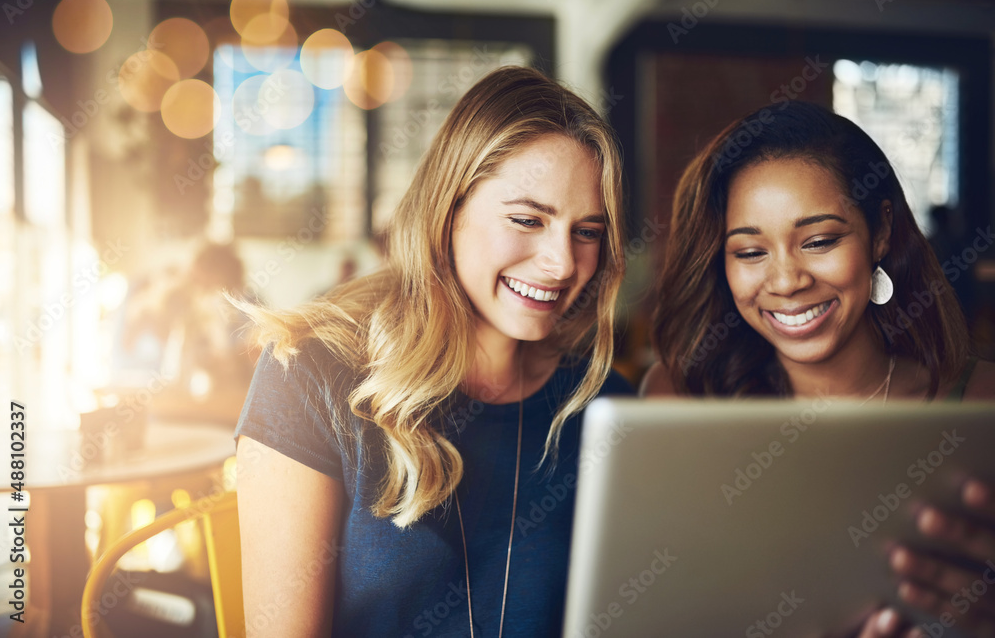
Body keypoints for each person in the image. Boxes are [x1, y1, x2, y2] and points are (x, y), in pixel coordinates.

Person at [234, 66, 633, 637]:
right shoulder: (310, 376)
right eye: (527, 219)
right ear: (450, 211)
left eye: (587, 231)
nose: (563, 262)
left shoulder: (602, 403)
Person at [641, 100, 995, 636]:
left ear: (879, 231)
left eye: (819, 241)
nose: (785, 281)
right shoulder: (678, 398)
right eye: (750, 252)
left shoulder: (980, 404)